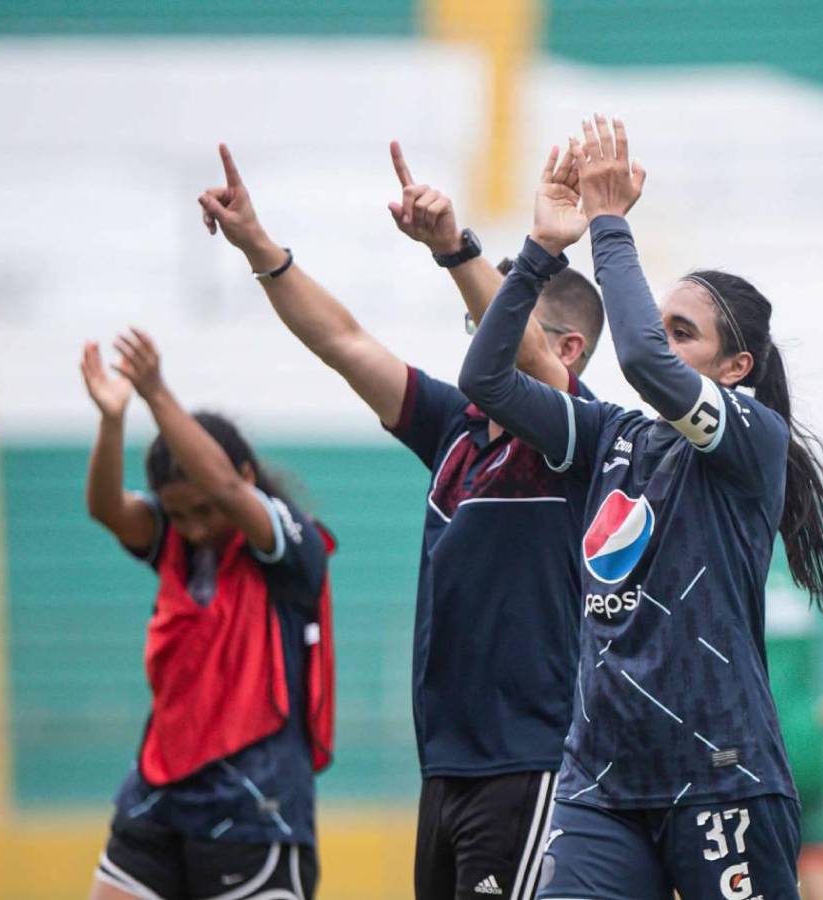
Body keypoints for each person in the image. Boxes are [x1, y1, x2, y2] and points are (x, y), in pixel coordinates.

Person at [458, 114, 823, 900]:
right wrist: (540, 252)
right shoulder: (609, 434)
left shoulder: (749, 439)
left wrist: (608, 224)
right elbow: (487, 380)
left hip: (720, 776)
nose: (661, 341)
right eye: (660, 324)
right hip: (601, 784)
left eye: (685, 333)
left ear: (735, 368)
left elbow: (638, 357)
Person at [198, 142, 604, 900]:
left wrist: (455, 247)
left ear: (568, 348)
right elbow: (344, 341)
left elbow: (522, 352)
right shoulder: (457, 426)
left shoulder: (576, 437)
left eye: (495, 326)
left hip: (528, 762)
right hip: (447, 765)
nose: (476, 344)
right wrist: (260, 246)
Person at [81, 332, 335, 900]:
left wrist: (155, 392)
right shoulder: (175, 540)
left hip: (254, 805)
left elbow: (218, 484)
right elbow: (105, 508)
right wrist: (113, 420)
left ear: (245, 478)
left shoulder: (289, 545)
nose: (193, 526)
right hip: (158, 792)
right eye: (179, 513)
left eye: (204, 511)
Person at [764, 581, 823, 900]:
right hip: (807, 735)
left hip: (761, 742)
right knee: (818, 858)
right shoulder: (797, 591)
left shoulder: (733, 587)